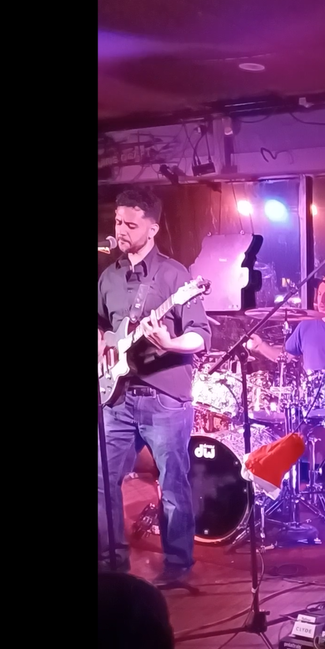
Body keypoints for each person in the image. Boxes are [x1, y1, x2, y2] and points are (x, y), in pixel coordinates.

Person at [97, 189, 212, 588]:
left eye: (131, 224)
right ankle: (111, 564)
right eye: (118, 222)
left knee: (173, 485)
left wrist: (171, 342)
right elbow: (101, 324)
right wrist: (102, 342)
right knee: (101, 479)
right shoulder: (108, 277)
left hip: (164, 400)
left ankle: (178, 563)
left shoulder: (176, 277)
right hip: (116, 397)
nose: (121, 230)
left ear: (153, 228)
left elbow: (201, 336)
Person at [246, 273, 325, 499]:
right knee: (286, 422)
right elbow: (284, 357)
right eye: (318, 294)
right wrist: (261, 346)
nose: (320, 300)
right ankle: (278, 481)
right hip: (311, 394)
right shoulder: (306, 326)